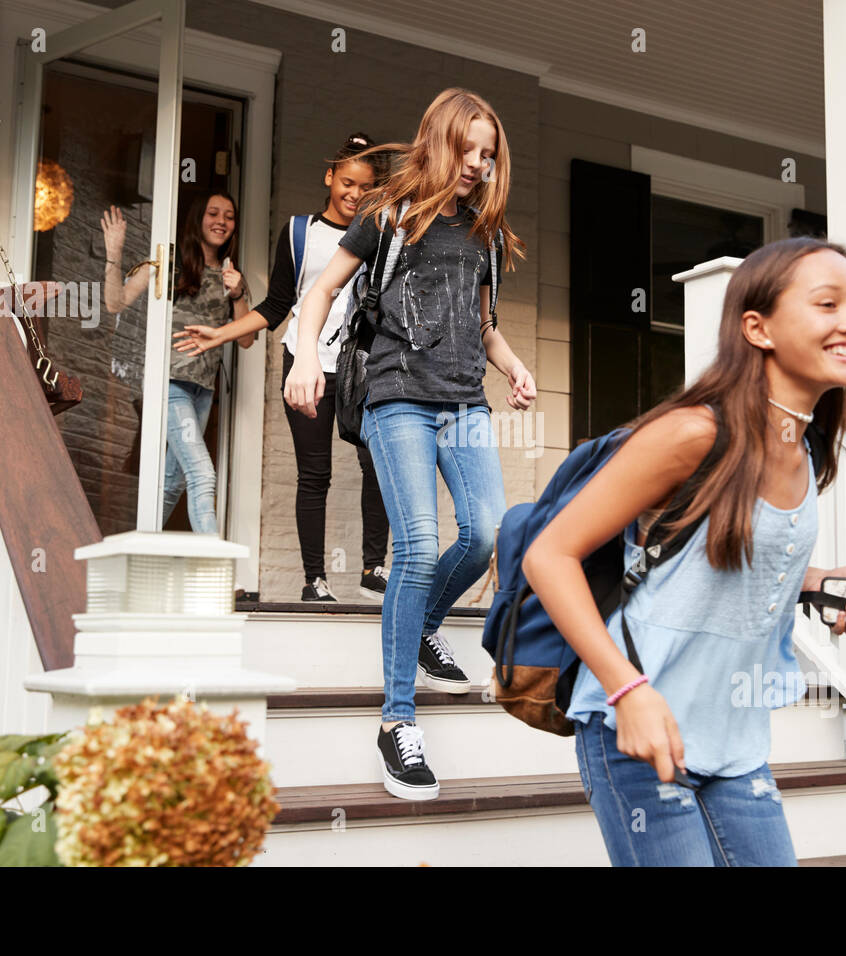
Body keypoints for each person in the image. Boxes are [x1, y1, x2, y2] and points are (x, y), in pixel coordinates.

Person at [521, 238, 846, 866]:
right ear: (758, 328)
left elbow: (719, 557)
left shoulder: (806, 448)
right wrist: (627, 691)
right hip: (640, 727)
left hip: (736, 744)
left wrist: (818, 583)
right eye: (827, 304)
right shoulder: (694, 433)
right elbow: (548, 555)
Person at [284, 88, 534, 801]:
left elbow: (483, 326)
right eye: (468, 150)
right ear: (439, 142)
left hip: (464, 402)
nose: (478, 164)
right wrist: (306, 359)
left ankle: (422, 624)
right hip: (396, 398)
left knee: (485, 533)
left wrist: (513, 367)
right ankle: (398, 720)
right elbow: (320, 292)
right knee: (418, 548)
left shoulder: (484, 234)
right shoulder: (386, 216)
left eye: (489, 154)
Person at [175, 134, 392, 603]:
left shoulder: (380, 235)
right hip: (305, 365)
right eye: (347, 183)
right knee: (315, 474)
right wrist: (220, 334)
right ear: (329, 177)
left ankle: (373, 568)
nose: (355, 194)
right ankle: (315, 580)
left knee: (377, 463)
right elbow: (276, 306)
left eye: (366, 187)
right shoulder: (299, 233)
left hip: (360, 368)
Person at [102, 193, 254, 534]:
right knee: (202, 474)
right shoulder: (167, 261)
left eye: (229, 216)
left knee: (173, 482)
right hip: (169, 384)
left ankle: (139, 548)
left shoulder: (230, 275)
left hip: (203, 390)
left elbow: (246, 339)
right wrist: (114, 253)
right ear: (198, 218)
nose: (221, 221)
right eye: (213, 213)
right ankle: (214, 561)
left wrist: (238, 294)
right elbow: (115, 303)